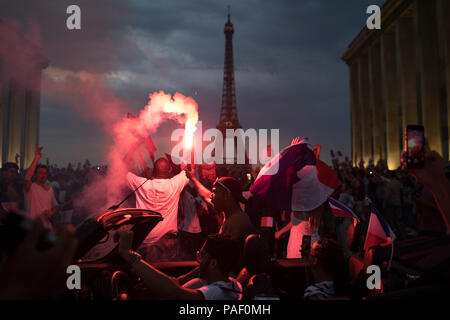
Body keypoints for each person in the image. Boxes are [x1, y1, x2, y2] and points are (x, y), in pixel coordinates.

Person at [116, 231, 242, 300]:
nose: (198, 260)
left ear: (213, 263)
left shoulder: (219, 293)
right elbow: (176, 282)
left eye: (201, 256)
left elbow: (174, 293)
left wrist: (129, 255)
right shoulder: (232, 283)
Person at [126, 157, 189, 261]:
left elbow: (123, 172)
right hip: (168, 242)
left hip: (144, 241)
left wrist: (132, 149)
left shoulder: (142, 184)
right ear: (169, 171)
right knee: (166, 274)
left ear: (153, 171)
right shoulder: (175, 184)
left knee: (145, 274)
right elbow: (189, 170)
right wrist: (185, 153)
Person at [188, 169, 255, 248]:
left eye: (215, 192)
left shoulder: (236, 221)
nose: (212, 195)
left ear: (226, 195)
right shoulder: (230, 214)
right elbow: (206, 196)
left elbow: (224, 256)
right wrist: (193, 178)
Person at [24, 147, 59, 226]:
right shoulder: (31, 187)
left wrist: (51, 212)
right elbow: (27, 177)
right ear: (35, 175)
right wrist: (37, 158)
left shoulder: (50, 189)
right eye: (40, 173)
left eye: (45, 173)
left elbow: (56, 206)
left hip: (47, 227)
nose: (43, 175)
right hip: (33, 227)